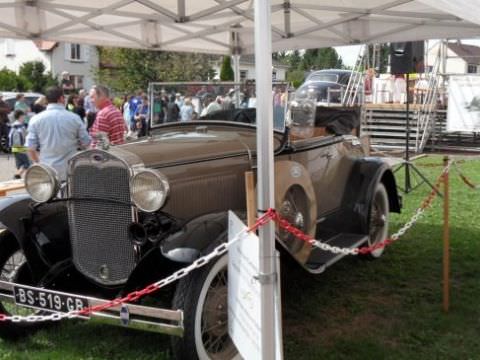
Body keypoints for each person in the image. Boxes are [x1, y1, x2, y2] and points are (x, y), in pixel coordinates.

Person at [25, 86, 90, 180]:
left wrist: (37, 163)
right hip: (70, 170)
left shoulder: (35, 119)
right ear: (61, 98)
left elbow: (30, 148)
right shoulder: (74, 118)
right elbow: (87, 142)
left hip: (47, 171)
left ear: (47, 100)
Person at [8, 110, 30, 179]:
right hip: (19, 147)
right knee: (27, 163)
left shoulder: (14, 125)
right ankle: (17, 176)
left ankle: (19, 177)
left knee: (20, 164)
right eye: (23, 115)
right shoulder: (19, 126)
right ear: (20, 116)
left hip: (13, 147)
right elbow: (24, 136)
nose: (24, 117)